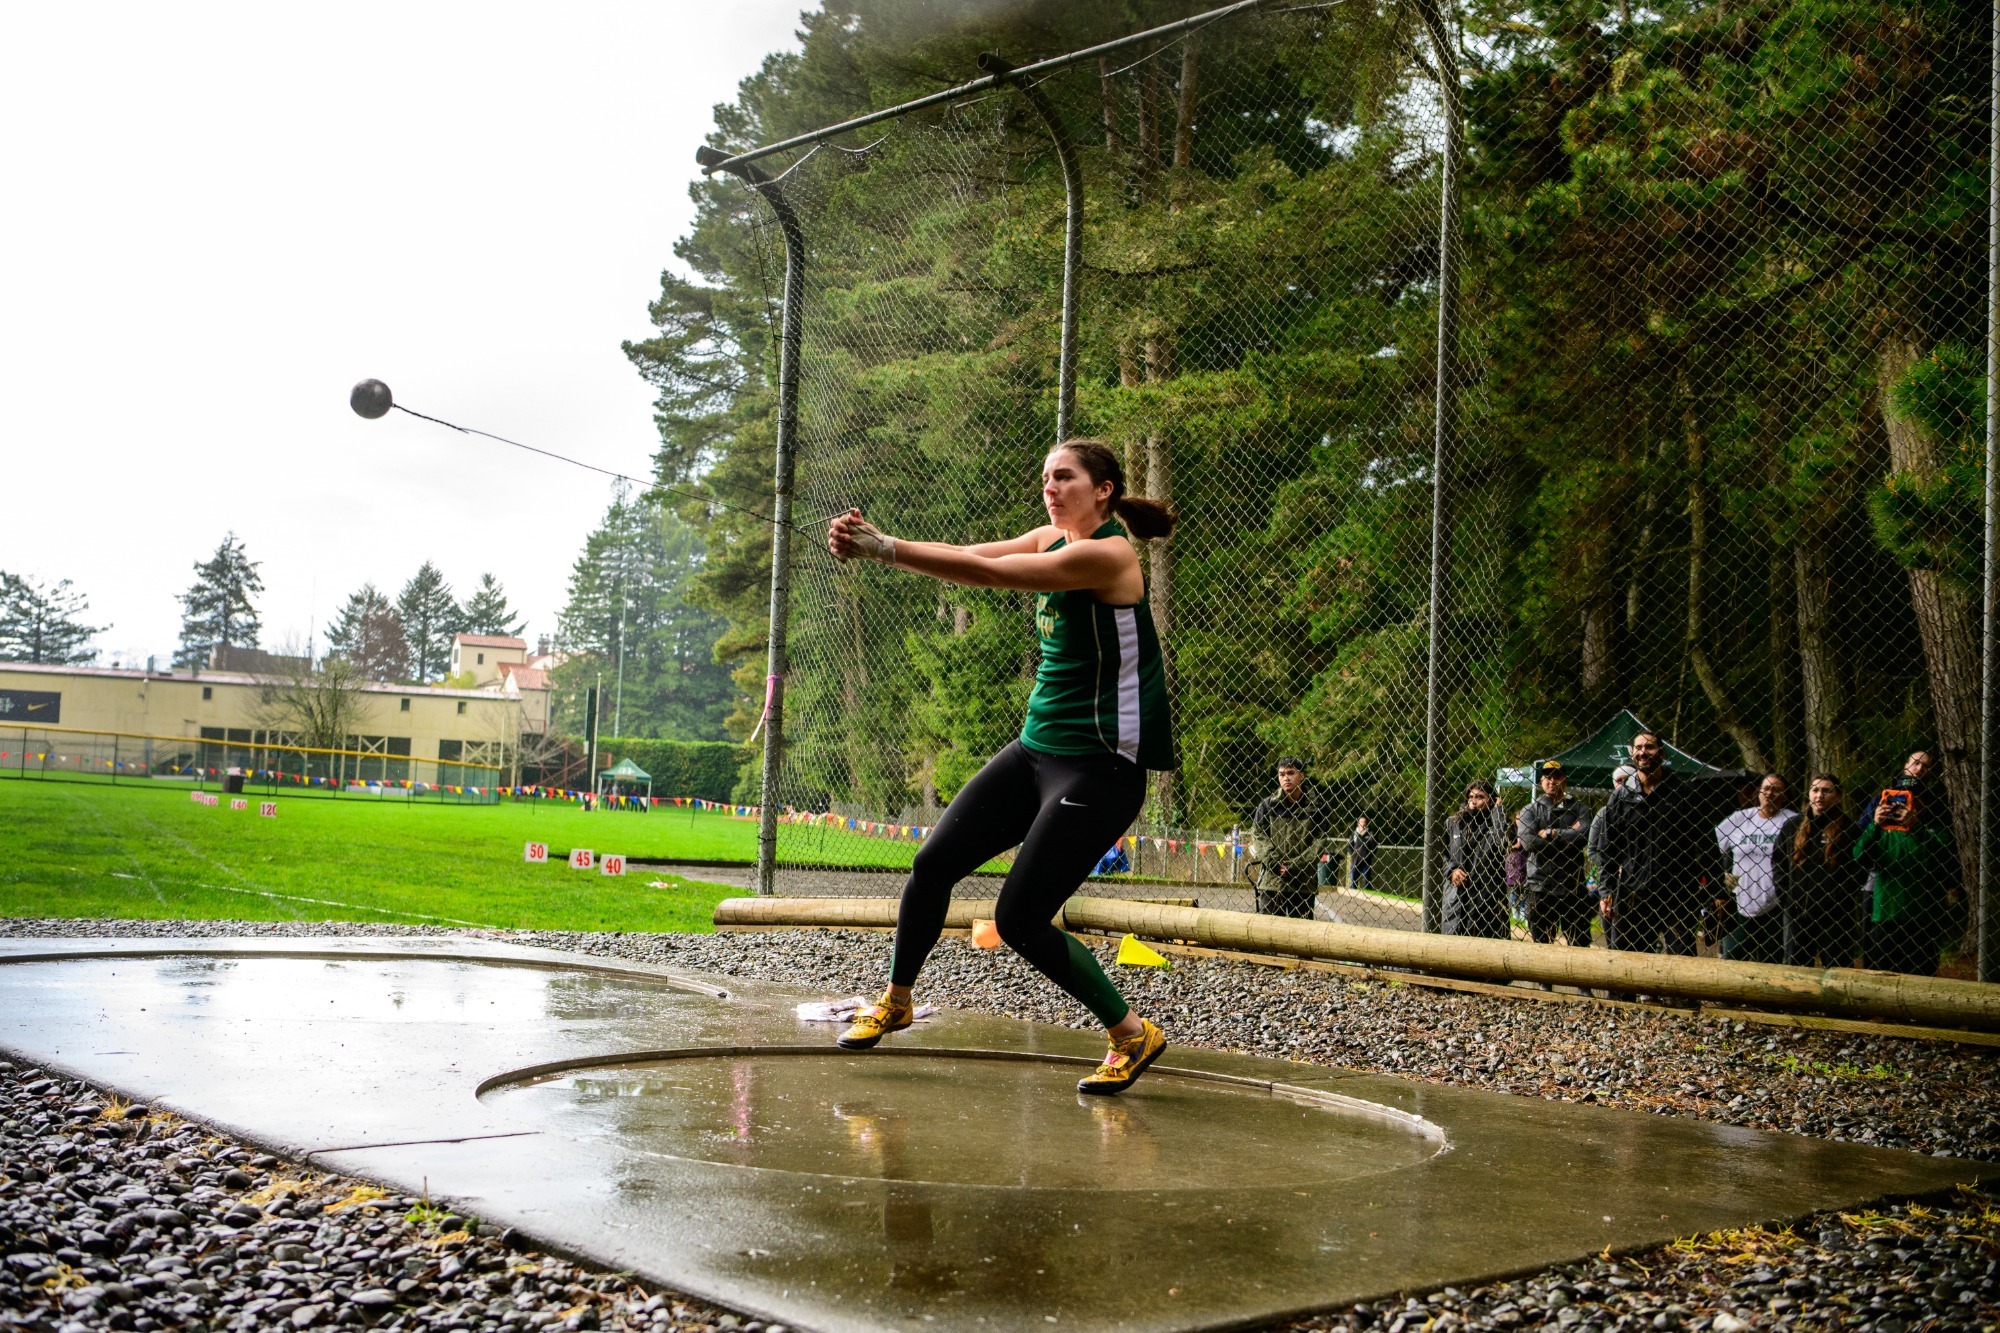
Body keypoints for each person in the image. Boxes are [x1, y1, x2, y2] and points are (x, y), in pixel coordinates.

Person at [824, 439, 1177, 1095]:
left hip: (1100, 769)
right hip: (1036, 750)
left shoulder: (1110, 554)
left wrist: (884, 549)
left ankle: (1132, 1033)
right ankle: (897, 999)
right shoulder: (1049, 536)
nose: (1051, 486)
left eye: (1065, 476)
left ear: (1102, 491)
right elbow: (975, 556)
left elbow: (989, 576)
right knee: (932, 864)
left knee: (1018, 918)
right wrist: (885, 543)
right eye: (1045, 475)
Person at [1599, 732, 1722, 955]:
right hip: (1632, 892)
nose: (1643, 752)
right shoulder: (1621, 797)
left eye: (1649, 747)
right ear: (1632, 753)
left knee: (1681, 960)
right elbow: (1608, 848)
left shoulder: (1684, 793)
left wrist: (1717, 890)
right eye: (1638, 748)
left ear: (1662, 753)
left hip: (1678, 893)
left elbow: (1707, 844)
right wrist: (1606, 891)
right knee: (1625, 960)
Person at [1852, 750, 1956, 976]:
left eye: (1913, 798)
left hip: (1923, 915)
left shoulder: (1936, 821)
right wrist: (1876, 825)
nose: (1906, 803)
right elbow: (1859, 855)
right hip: (1885, 912)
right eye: (1901, 797)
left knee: (1921, 973)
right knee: (1880, 973)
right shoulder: (1882, 823)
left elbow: (1944, 856)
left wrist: (1916, 826)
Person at [1777, 774, 1865, 968]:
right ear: (1809, 794)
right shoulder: (1792, 827)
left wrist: (1838, 898)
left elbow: (1859, 871)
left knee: (1838, 970)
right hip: (1798, 914)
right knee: (1797, 971)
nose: (1820, 795)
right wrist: (1787, 896)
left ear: (1838, 796)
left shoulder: (1850, 830)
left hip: (1835, 918)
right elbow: (1778, 864)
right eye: (1815, 790)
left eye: (1827, 791)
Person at [1712, 773, 1797, 963]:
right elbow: (1712, 849)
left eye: (1776, 789)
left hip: (1776, 903)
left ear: (1785, 795)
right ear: (1758, 792)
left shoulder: (1792, 821)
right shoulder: (1740, 818)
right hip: (1738, 900)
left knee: (1769, 962)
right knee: (1731, 958)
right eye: (1766, 788)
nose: (1770, 793)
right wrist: (1719, 887)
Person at [1516, 759, 1593, 947]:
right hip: (1539, 886)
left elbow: (1585, 834)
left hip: (1572, 886)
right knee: (1541, 944)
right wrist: (1567, 840)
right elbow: (1527, 841)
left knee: (1579, 944)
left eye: (1556, 776)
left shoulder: (1579, 809)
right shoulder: (1531, 810)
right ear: (1541, 781)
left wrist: (1552, 834)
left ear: (1564, 780)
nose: (1551, 781)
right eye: (1547, 777)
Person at [1250, 757, 1332, 918]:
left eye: (1290, 773)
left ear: (1301, 775)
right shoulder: (1267, 805)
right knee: (1268, 933)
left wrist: (1294, 866)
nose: (1285, 778)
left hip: (1302, 883)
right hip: (1272, 882)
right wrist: (1275, 863)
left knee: (1301, 935)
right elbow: (1258, 835)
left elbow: (1319, 843)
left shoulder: (1317, 808)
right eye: (1281, 774)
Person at [1443, 780, 1511, 938]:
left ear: (1492, 800)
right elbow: (1442, 854)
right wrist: (1451, 871)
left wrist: (1498, 811)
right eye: (1471, 796)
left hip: (1487, 901)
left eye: (1480, 797)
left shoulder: (1496, 825)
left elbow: (1503, 842)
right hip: (1456, 899)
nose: (1473, 801)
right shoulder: (1453, 823)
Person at [1348, 816, 1377, 893]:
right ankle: (1353, 893)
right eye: (1361, 822)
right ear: (1358, 823)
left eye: (1364, 822)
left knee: (1367, 879)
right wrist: (1353, 855)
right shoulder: (1354, 834)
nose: (1363, 824)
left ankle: (1368, 894)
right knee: (1353, 879)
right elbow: (1349, 847)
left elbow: (1374, 846)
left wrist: (1370, 855)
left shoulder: (1370, 834)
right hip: (1356, 860)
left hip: (1366, 861)